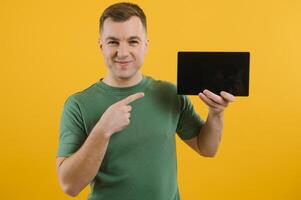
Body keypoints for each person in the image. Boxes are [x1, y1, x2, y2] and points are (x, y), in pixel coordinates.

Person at [56, 2, 235, 200]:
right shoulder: (78, 104)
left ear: (145, 45)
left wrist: (216, 113)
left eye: (132, 41)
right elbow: (69, 186)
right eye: (113, 42)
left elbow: (207, 148)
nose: (122, 52)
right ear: (101, 45)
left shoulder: (170, 94)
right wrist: (102, 130)